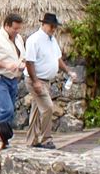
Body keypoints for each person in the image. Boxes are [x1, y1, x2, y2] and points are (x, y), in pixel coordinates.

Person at [24, 13, 77, 149]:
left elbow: (58, 59)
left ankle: (32, 141)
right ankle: (46, 139)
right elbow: (29, 62)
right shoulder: (34, 40)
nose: (53, 29)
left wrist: (68, 71)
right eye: (51, 26)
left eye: (55, 27)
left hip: (46, 80)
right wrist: (35, 82)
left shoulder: (52, 40)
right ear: (43, 24)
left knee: (37, 110)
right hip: (36, 79)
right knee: (48, 107)